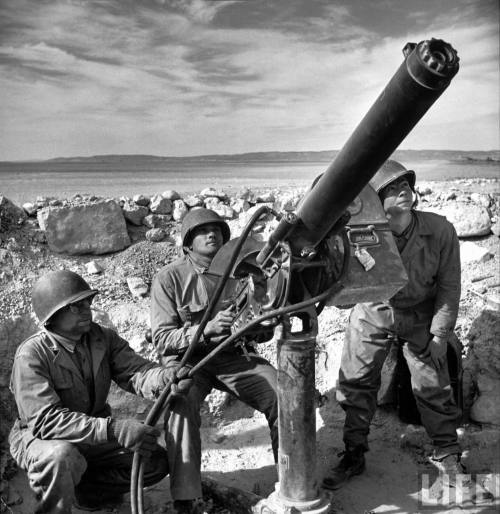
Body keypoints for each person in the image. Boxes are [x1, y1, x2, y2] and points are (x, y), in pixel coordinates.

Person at [323, 160, 466, 489]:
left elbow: (449, 285)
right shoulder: (362, 234)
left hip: (421, 313)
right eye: (391, 188)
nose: (403, 190)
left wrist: (439, 333)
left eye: (406, 185)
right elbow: (345, 286)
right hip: (374, 309)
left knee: (432, 382)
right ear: (375, 199)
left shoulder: (440, 230)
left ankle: (446, 452)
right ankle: (354, 453)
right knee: (356, 382)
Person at [9, 270, 191, 514]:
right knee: (60, 457)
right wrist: (114, 429)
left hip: (91, 434)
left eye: (87, 302)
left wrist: (165, 378)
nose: (87, 310)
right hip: (42, 439)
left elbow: (136, 372)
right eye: (75, 306)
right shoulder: (32, 355)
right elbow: (46, 421)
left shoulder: (101, 337)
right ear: (52, 315)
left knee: (155, 460)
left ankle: (88, 494)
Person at [151, 207, 278, 514]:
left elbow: (260, 332)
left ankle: (293, 478)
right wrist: (204, 330)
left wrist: (260, 326)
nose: (212, 234)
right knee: (179, 403)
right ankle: (186, 497)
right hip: (187, 362)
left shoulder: (242, 273)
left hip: (233, 357)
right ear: (187, 241)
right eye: (202, 231)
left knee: (282, 393)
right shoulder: (169, 278)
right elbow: (162, 338)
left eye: (218, 230)